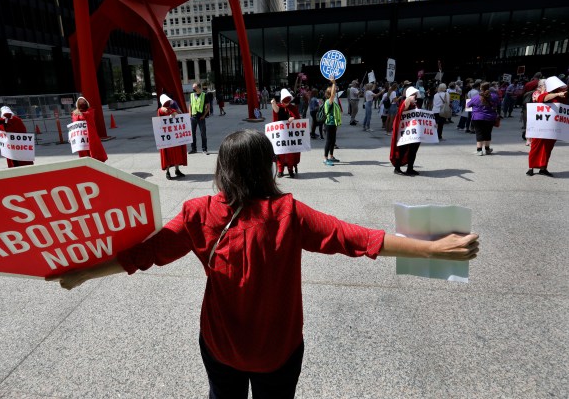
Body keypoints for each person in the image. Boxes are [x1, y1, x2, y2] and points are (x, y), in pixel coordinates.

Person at [48, 129, 479, 399]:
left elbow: (143, 256)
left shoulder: (198, 212)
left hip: (220, 346)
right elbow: (359, 239)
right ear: (269, 168)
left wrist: (83, 273)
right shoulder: (289, 213)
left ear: (222, 169)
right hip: (279, 349)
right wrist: (434, 247)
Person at [527, 76, 567, 177]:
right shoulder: (545, 95)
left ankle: (543, 168)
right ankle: (531, 167)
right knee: (535, 147)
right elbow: (544, 98)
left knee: (547, 148)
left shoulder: (563, 96)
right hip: (540, 126)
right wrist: (557, 94)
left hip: (553, 127)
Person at [390, 87, 423, 176]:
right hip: (405, 132)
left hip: (415, 131)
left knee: (413, 151)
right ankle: (397, 168)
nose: (415, 96)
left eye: (415, 94)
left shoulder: (416, 104)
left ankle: (410, 168)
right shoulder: (405, 102)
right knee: (402, 150)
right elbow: (402, 113)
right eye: (413, 94)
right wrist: (408, 101)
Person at [271, 88, 301, 178]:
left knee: (290, 153)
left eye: (287, 102)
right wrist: (273, 103)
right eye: (284, 102)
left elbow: (297, 118)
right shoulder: (279, 107)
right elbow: (276, 110)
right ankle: (280, 170)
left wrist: (293, 118)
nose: (286, 104)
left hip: (291, 135)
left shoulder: (293, 108)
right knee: (280, 153)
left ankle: (290, 169)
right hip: (281, 134)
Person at [158, 94, 187, 180]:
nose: (168, 103)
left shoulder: (171, 108)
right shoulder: (161, 110)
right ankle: (167, 172)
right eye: (167, 102)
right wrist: (173, 111)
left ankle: (177, 170)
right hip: (167, 137)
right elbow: (164, 111)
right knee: (167, 155)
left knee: (177, 153)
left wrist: (176, 112)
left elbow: (179, 113)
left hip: (174, 136)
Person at [71, 96, 108, 163]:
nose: (82, 103)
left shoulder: (90, 111)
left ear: (86, 102)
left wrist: (80, 114)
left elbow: (88, 116)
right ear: (77, 104)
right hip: (81, 136)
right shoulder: (75, 113)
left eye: (83, 101)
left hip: (91, 135)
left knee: (94, 148)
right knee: (84, 150)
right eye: (80, 102)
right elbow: (74, 123)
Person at [468, 82, 500, 156]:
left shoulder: (476, 97)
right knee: (488, 132)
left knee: (479, 133)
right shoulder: (494, 96)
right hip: (490, 117)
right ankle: (487, 149)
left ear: (480, 88)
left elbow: (468, 105)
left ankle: (479, 150)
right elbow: (498, 104)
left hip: (477, 117)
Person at [322, 76, 341, 166]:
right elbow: (333, 94)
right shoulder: (328, 102)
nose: (335, 91)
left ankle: (331, 156)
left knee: (333, 141)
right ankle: (325, 159)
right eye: (333, 90)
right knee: (328, 141)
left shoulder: (332, 102)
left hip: (333, 124)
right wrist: (334, 83)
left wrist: (334, 83)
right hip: (329, 124)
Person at [189, 83, 210, 154]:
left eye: (194, 87)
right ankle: (193, 149)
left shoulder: (204, 95)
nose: (193, 89)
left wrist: (204, 115)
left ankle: (204, 149)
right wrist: (190, 115)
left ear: (198, 88)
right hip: (193, 117)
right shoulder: (192, 95)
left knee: (203, 134)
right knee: (192, 134)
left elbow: (208, 106)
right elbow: (190, 105)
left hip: (201, 117)